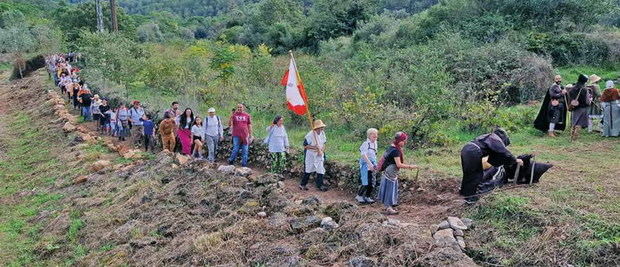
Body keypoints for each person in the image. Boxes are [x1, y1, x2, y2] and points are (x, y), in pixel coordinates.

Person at [460, 127, 523, 204]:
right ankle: (470, 198)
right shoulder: (495, 138)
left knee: (468, 173)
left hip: (466, 149)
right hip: (474, 152)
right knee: (476, 175)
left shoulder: (488, 136)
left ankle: (464, 192)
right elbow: (504, 152)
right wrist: (515, 160)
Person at [376, 132, 418, 215]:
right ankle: (389, 208)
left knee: (390, 188)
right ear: (399, 140)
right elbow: (399, 164)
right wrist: (411, 166)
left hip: (389, 171)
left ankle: (390, 205)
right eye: (404, 140)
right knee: (390, 189)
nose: (405, 142)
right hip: (391, 172)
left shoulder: (392, 147)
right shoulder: (396, 151)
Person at [300, 120, 328, 191]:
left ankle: (320, 185)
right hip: (310, 154)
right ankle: (303, 184)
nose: (321, 129)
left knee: (320, 169)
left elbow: (324, 143)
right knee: (308, 169)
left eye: (322, 128)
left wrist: (321, 151)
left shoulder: (322, 133)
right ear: (316, 128)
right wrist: (315, 148)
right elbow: (305, 146)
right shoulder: (310, 135)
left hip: (319, 154)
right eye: (320, 128)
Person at [356, 128, 379, 204]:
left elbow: (374, 155)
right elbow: (363, 155)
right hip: (365, 165)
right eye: (373, 137)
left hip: (372, 164)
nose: (375, 138)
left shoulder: (375, 143)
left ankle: (367, 196)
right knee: (365, 181)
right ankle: (359, 195)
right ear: (369, 136)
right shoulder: (365, 144)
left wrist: (375, 164)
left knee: (372, 182)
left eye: (376, 137)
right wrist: (370, 164)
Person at [569, 74, 591, 141]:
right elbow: (587, 101)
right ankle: (575, 139)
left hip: (574, 108)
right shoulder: (584, 89)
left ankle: (571, 137)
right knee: (579, 123)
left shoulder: (572, 89)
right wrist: (590, 102)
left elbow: (569, 98)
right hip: (583, 108)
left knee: (574, 122)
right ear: (584, 81)